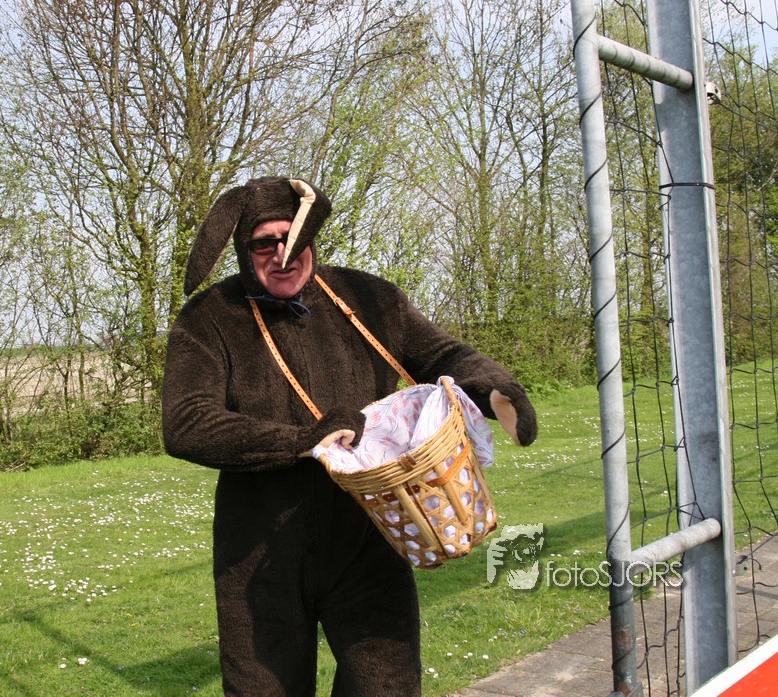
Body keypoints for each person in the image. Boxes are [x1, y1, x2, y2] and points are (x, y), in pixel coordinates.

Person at [161, 176, 538, 696]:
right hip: (260, 551)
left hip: (371, 536)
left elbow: (443, 355)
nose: (281, 255)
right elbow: (187, 422)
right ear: (244, 250)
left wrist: (494, 390)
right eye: (264, 244)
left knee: (386, 687)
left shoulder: (370, 297)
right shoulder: (210, 317)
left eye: (292, 239)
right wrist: (303, 440)